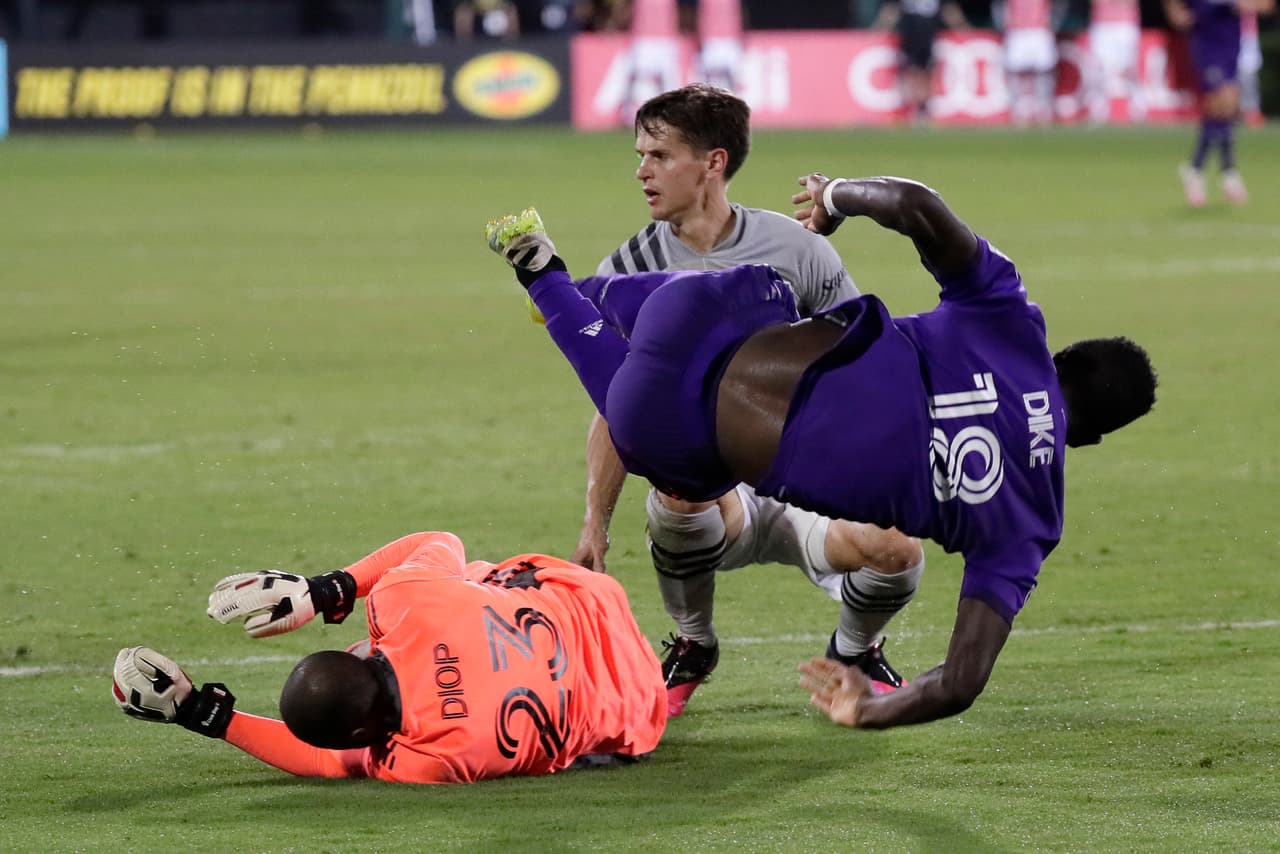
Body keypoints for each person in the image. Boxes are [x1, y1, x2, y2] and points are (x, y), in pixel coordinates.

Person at [484, 171, 1157, 728]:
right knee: (647, 428)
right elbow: (959, 682)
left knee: (674, 349)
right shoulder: (1030, 522)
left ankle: (569, 292)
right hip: (695, 431)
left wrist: (835, 198)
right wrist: (865, 713)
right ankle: (550, 283)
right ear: (1090, 438)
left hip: (726, 303)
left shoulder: (1011, 318)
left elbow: (917, 205)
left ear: (1060, 355)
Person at [572, 83, 925, 717]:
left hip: (800, 477)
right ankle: (693, 644)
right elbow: (619, 406)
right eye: (639, 155)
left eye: (658, 155)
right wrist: (595, 518)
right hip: (715, 496)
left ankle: (854, 651)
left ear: (713, 162)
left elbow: (858, 360)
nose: (641, 171)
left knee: (899, 551)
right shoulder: (626, 269)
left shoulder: (799, 250)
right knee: (678, 494)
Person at [111, 531, 667, 782]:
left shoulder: (430, 760)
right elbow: (442, 540)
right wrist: (326, 591)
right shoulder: (401, 602)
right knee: (469, 579)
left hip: (639, 708)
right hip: (591, 596)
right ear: (358, 655)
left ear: (363, 736)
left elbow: (327, 761)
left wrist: (204, 716)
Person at [1164, 0, 1275, 205]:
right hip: (1207, 44)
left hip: (1231, 45)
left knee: (1224, 109)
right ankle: (1227, 174)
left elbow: (1265, 6)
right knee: (1223, 100)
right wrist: (1174, 12)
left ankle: (1198, 170)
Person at [875, 0, 969, 124]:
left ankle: (924, 109)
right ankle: (911, 109)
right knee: (910, 73)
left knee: (927, 73)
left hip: (929, 36)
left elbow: (949, 10)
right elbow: (891, 10)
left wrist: (963, 28)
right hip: (909, 36)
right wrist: (879, 28)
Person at [994, 0, 1062, 125]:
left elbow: (1058, 5)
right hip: (1017, 31)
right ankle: (1018, 112)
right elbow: (1000, 6)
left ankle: (1044, 111)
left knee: (1044, 72)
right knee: (1014, 72)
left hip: (1040, 30)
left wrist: (1053, 22)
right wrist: (1004, 24)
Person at [1085, 0, 1146, 124]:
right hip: (1102, 25)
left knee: (1130, 68)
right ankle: (1099, 109)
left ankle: (1138, 107)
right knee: (1099, 69)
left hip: (1126, 24)